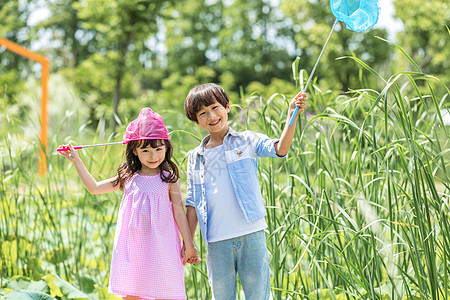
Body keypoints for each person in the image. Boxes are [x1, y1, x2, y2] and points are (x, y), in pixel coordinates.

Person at [59, 108, 200, 300]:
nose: (153, 156)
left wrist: (189, 244)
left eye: (158, 149)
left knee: (164, 291)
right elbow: (94, 188)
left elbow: (178, 210)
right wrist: (76, 160)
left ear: (166, 147)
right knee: (132, 293)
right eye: (145, 150)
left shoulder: (168, 178)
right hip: (134, 248)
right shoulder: (128, 177)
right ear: (134, 150)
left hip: (163, 246)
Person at [183, 83, 307, 300]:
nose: (211, 115)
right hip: (216, 240)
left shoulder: (248, 140)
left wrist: (291, 116)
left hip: (251, 233)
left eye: (215, 107)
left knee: (259, 296)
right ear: (196, 121)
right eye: (203, 113)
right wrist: (189, 243)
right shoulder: (196, 156)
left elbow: (280, 149)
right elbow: (192, 202)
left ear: (227, 106)